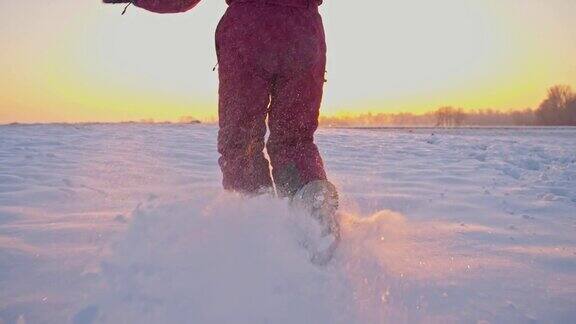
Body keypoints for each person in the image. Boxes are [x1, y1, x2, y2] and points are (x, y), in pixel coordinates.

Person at [103, 0, 339, 251]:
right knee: (294, 139)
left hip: (248, 33)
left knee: (241, 143)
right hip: (304, 34)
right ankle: (311, 204)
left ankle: (256, 218)